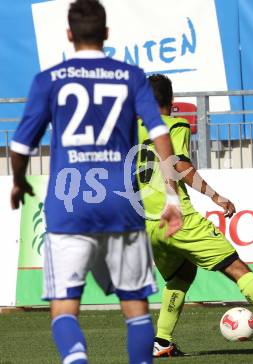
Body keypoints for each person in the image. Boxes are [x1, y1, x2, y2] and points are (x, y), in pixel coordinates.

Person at [10, 1, 182, 363]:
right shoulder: (131, 76)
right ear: (106, 34)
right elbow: (159, 131)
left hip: (68, 203)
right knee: (135, 308)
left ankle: (77, 359)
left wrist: (18, 181)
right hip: (121, 204)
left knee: (65, 308)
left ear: (69, 35)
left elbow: (21, 144)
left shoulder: (49, 80)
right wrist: (172, 197)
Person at [136, 73, 253, 357]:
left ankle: (161, 341)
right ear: (172, 101)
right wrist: (215, 196)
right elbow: (178, 164)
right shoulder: (174, 124)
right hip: (178, 218)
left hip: (147, 224)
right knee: (238, 269)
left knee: (181, 275)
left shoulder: (133, 132)